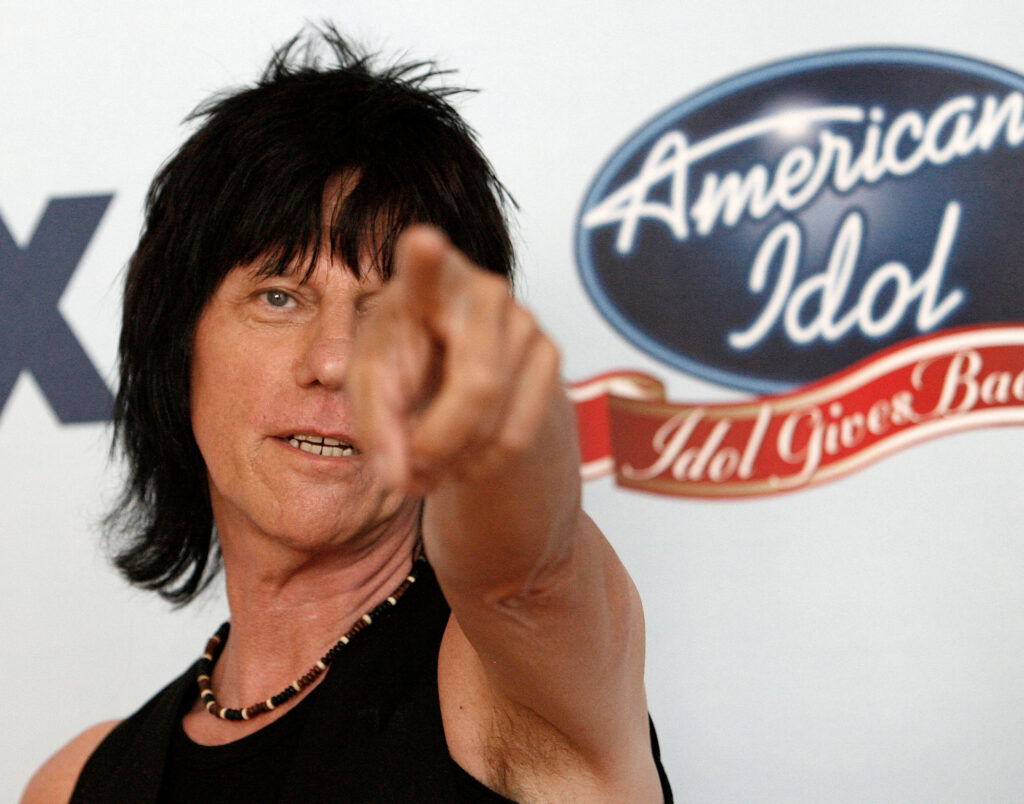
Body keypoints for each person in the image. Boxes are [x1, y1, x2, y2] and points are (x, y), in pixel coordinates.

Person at [22, 25, 673, 803]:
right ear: (178, 344)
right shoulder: (75, 783)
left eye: (389, 312)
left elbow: (527, 580)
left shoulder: (501, 682)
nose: (334, 361)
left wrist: (503, 434)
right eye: (278, 296)